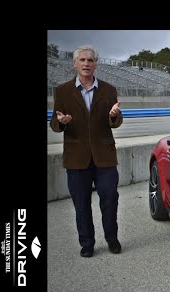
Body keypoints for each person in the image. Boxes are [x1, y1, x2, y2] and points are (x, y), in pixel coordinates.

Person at [50, 45, 123, 258]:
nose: (86, 64)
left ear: (96, 64)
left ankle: (112, 239)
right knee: (81, 205)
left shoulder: (108, 90)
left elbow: (116, 121)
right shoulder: (62, 91)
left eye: (90, 60)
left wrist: (113, 116)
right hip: (76, 158)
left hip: (105, 157)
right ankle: (87, 243)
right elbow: (54, 123)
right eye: (82, 60)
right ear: (74, 64)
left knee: (110, 199)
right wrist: (62, 122)